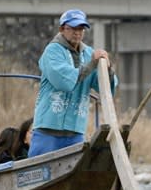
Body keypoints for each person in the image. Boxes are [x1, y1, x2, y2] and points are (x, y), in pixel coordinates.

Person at [29, 9, 118, 158]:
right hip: (48, 129)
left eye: (81, 29)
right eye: (73, 28)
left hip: (75, 131)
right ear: (62, 29)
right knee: (39, 170)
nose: (77, 33)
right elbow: (64, 81)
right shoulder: (52, 51)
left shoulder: (89, 53)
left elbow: (105, 87)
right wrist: (92, 64)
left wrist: (107, 68)